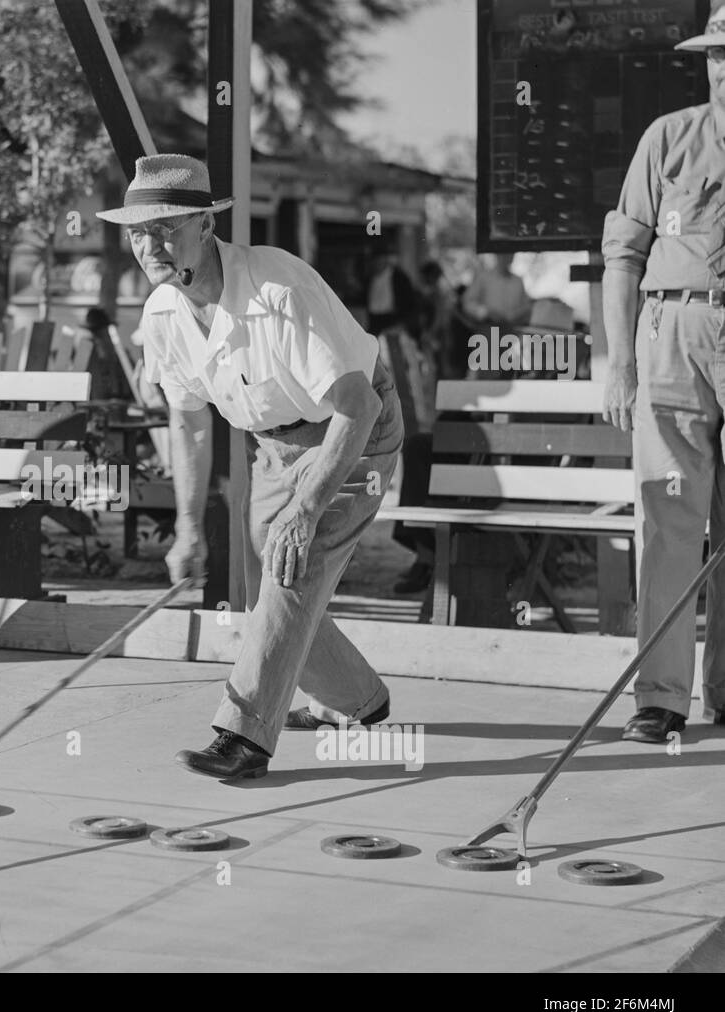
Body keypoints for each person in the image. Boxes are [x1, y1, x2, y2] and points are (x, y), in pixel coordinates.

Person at [97, 154, 404, 779]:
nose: (149, 244)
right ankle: (362, 702)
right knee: (266, 590)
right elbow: (186, 421)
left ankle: (244, 735)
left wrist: (308, 505)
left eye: (166, 227)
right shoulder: (161, 313)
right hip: (272, 441)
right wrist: (187, 527)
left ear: (207, 226)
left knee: (295, 563)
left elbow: (358, 405)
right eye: (137, 231)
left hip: (356, 428)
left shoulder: (278, 285)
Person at [600, 11, 725, 741]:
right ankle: (661, 698)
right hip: (671, 333)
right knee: (667, 517)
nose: (721, 70)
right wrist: (620, 363)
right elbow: (624, 256)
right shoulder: (667, 137)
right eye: (715, 57)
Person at [460, 253, 532, 331]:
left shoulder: (518, 281)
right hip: (487, 331)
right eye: (504, 254)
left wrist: (517, 316)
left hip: (512, 332)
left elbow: (526, 307)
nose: (508, 257)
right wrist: (486, 313)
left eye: (511, 254)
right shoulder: (483, 277)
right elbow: (467, 303)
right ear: (497, 255)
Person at [365, 249, 419, 339]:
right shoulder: (369, 278)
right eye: (374, 261)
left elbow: (410, 304)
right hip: (373, 321)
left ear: (385, 260)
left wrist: (402, 323)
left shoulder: (399, 278)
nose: (377, 263)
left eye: (379, 260)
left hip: (393, 321)